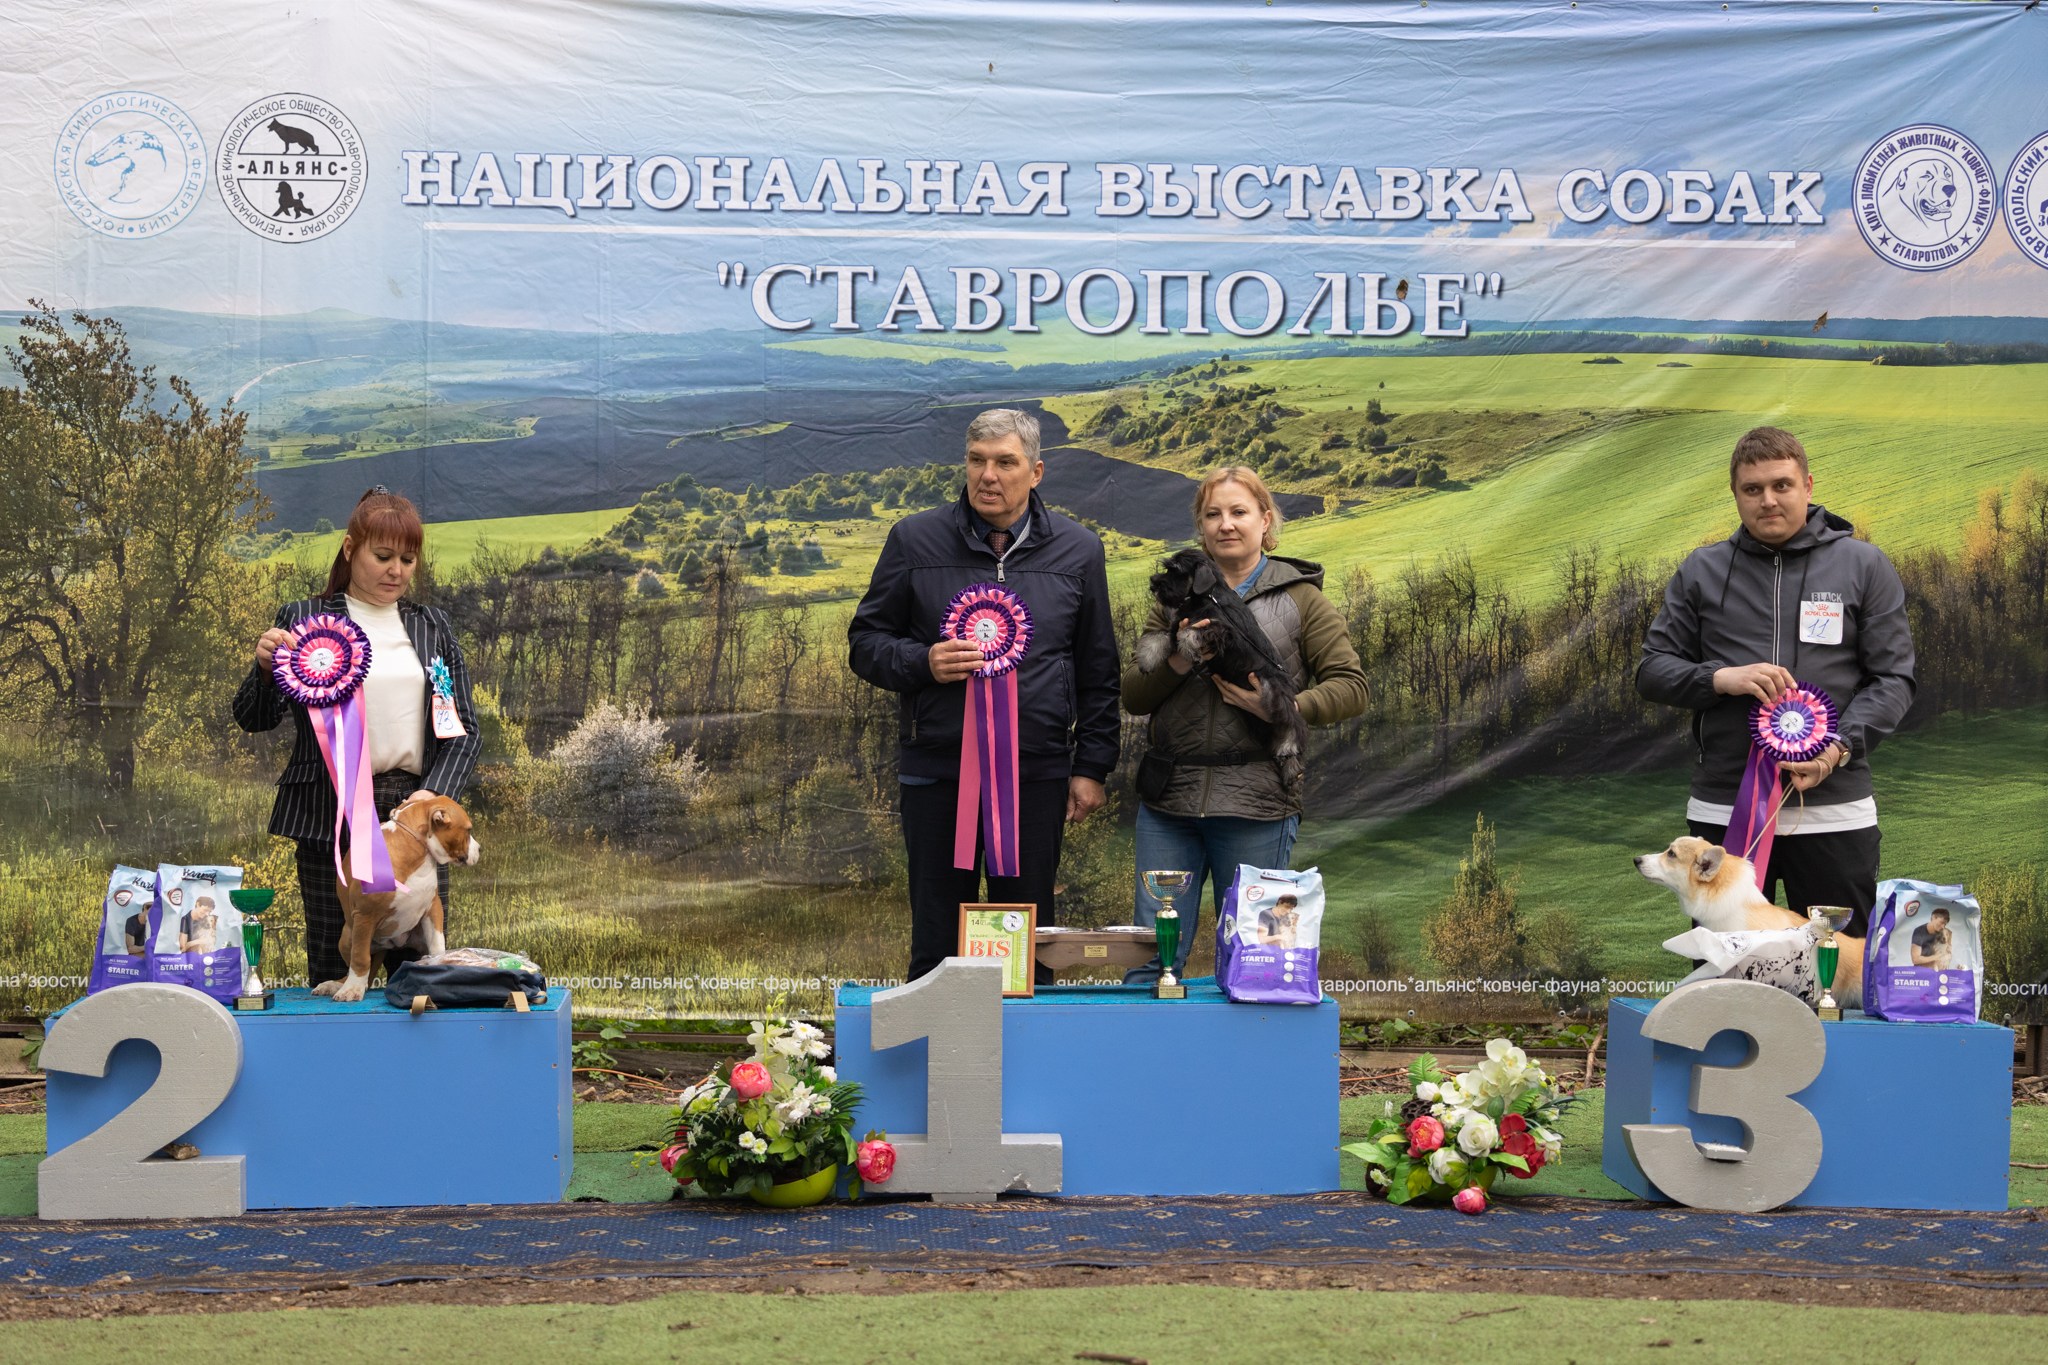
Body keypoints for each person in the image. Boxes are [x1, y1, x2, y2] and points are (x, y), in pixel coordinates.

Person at [848, 408, 1120, 983]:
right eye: (976, 460)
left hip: (1035, 776)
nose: (987, 476)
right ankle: (931, 1067)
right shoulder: (913, 539)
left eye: (1005, 462)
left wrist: (1092, 765)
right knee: (935, 940)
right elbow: (865, 643)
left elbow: (1098, 668)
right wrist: (922, 661)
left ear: (1036, 471)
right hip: (937, 774)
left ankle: (1025, 1067)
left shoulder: (1079, 550)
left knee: (1025, 943)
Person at [1637, 427, 1916, 936]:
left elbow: (1893, 680)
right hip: (1725, 819)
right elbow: (1652, 670)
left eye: (1782, 485)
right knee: (1729, 987)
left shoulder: (1864, 566)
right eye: (1752, 489)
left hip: (1835, 811)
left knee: (1838, 978)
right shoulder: (1702, 570)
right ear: (1736, 495)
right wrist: (1719, 678)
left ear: (1808, 485)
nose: (1768, 500)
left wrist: (1837, 749)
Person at [1121, 466, 1368, 983]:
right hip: (1170, 799)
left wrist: (1286, 708)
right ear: (1200, 526)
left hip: (1257, 800)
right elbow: (1135, 695)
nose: (1225, 524)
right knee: (1151, 958)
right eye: (1213, 514)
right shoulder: (1172, 602)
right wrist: (1181, 659)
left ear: (1265, 520)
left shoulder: (1302, 600)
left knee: (1255, 966)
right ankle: (1147, 1062)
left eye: (1239, 512)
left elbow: (1351, 686)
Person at [234, 487, 480, 991]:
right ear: (351, 549)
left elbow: (461, 729)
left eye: (408, 560)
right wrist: (262, 670)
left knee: (425, 978)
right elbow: (253, 718)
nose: (397, 570)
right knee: (335, 968)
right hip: (329, 815)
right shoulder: (301, 618)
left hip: (415, 817)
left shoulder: (433, 626)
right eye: (383, 556)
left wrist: (432, 794)